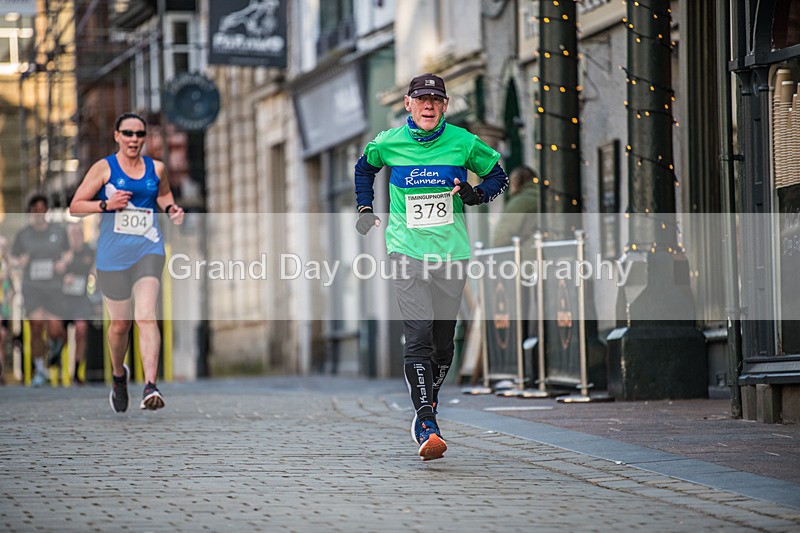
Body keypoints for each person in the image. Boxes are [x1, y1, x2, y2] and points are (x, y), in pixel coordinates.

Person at [354, 73, 508, 460]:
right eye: (421, 99)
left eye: (435, 100)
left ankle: (430, 402)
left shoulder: (463, 142)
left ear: (445, 106)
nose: (428, 105)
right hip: (406, 250)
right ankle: (426, 421)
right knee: (419, 333)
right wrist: (365, 208)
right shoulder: (389, 143)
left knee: (442, 342)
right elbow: (363, 169)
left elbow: (498, 176)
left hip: (451, 254)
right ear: (407, 104)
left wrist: (476, 194)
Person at [70, 112, 184, 413]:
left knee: (146, 314)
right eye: (128, 133)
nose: (134, 139)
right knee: (120, 326)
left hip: (148, 248)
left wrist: (172, 208)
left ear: (145, 138)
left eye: (139, 134)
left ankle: (150, 386)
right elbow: (75, 206)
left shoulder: (156, 168)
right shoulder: (104, 168)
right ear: (116, 135)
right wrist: (106, 204)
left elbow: (163, 194)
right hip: (112, 256)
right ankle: (119, 376)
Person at [10, 194, 69, 387]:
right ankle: (40, 370)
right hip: (32, 286)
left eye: (42, 209)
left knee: (54, 328)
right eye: (35, 210)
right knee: (36, 326)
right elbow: (12, 258)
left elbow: (68, 253)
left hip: (54, 286)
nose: (39, 213)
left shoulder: (58, 232)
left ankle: (55, 346)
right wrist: (20, 262)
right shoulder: (23, 235)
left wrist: (63, 263)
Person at [60, 223, 98, 385]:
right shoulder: (61, 251)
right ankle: (55, 360)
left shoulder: (89, 252)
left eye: (79, 233)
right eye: (73, 234)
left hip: (81, 299)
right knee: (57, 332)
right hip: (61, 299)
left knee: (81, 329)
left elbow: (95, 273)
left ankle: (76, 372)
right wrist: (63, 274)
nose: (76, 236)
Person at [491, 165, 539, 251]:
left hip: (525, 256)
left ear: (515, 182)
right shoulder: (544, 197)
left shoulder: (520, 202)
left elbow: (501, 238)